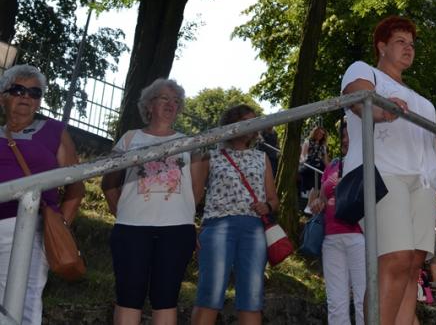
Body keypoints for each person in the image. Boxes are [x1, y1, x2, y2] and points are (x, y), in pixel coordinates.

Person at [341, 15, 436, 325]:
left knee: (412, 265)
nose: (409, 48)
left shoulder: (422, 102)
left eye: (412, 43)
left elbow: (428, 151)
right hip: (383, 174)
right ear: (382, 46)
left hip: (422, 183)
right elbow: (358, 99)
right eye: (400, 42)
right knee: (394, 258)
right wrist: (382, 109)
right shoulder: (364, 70)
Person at [101, 78, 203, 325]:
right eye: (164, 98)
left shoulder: (191, 143)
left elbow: (197, 189)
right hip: (131, 229)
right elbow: (108, 183)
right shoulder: (129, 139)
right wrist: (124, 212)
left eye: (176, 101)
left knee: (166, 298)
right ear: (148, 105)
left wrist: (181, 214)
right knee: (128, 296)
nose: (171, 104)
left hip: (176, 230)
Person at [0, 64, 84, 325]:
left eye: (34, 93)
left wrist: (59, 225)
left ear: (39, 102)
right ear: (3, 96)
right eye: (18, 90)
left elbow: (76, 185)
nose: (26, 96)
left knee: (24, 302)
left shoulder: (54, 132)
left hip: (31, 227)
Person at [191, 104, 278, 325]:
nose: (250, 126)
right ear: (231, 124)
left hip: (254, 230)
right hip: (217, 226)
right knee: (210, 293)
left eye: (253, 122)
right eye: (245, 121)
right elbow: (194, 197)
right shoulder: (210, 156)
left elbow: (273, 199)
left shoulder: (262, 158)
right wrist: (189, 226)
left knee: (252, 298)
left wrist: (267, 207)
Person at [308, 118, 365, 324]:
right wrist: (316, 203)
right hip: (331, 238)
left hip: (359, 237)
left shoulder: (368, 161)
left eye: (351, 135)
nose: (346, 139)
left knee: (363, 298)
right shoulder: (332, 165)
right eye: (343, 135)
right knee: (335, 301)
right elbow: (321, 198)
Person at [298, 126, 329, 197]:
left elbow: (325, 160)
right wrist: (303, 161)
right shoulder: (307, 142)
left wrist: (330, 169)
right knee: (308, 173)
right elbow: (303, 155)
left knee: (321, 178)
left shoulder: (323, 146)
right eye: (319, 133)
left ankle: (316, 195)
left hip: (319, 166)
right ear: (315, 133)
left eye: (322, 134)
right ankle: (306, 194)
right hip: (309, 164)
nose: (320, 135)